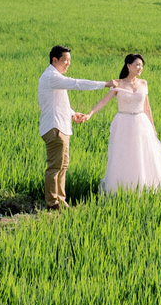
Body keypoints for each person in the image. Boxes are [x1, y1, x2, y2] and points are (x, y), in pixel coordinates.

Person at [84, 53, 161, 197]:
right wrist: (90, 114)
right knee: (124, 155)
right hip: (123, 123)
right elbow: (104, 101)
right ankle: (123, 188)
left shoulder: (144, 83)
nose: (140, 68)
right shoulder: (118, 84)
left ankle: (144, 186)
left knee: (143, 154)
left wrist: (153, 127)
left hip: (141, 123)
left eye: (141, 65)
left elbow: (147, 107)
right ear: (128, 66)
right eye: (137, 65)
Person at [38, 45, 114, 209]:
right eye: (65, 60)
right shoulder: (51, 76)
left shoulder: (54, 77)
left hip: (61, 126)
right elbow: (77, 83)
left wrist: (72, 114)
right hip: (54, 128)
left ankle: (60, 200)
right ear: (55, 60)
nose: (68, 64)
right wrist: (105, 84)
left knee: (63, 166)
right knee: (55, 167)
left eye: (69, 61)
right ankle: (52, 203)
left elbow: (58, 103)